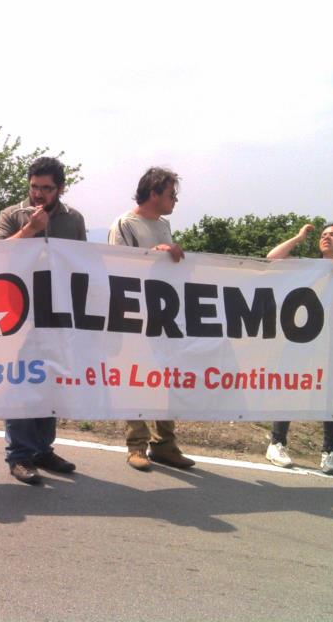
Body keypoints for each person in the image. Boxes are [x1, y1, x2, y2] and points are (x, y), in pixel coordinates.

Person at [0, 156, 84, 485]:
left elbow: (81, 264)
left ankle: (43, 450)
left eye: (46, 188)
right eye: (34, 187)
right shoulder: (11, 215)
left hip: (56, 311)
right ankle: (19, 456)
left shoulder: (74, 219)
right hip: (19, 312)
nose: (39, 194)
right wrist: (30, 229)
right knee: (20, 382)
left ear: (59, 188)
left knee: (50, 381)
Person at [264, 222, 333, 475]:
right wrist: (298, 237)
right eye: (323, 235)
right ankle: (277, 443)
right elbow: (272, 259)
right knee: (291, 385)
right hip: (301, 341)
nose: (327, 238)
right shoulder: (308, 268)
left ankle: (329, 452)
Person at [108, 167, 195, 472]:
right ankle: (136, 446)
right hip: (136, 315)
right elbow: (117, 269)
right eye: (172, 193)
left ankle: (165, 444)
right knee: (140, 378)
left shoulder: (165, 225)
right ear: (154, 192)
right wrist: (151, 255)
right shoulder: (124, 224)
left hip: (164, 315)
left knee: (166, 378)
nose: (175, 200)